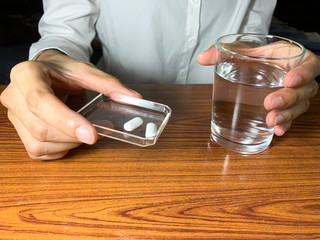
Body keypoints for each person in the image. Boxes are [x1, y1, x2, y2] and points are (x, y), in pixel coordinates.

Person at [0, 0, 319, 160]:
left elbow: (249, 37)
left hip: (213, 128)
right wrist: (48, 63)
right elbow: (62, 31)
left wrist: (268, 61)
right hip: (114, 131)